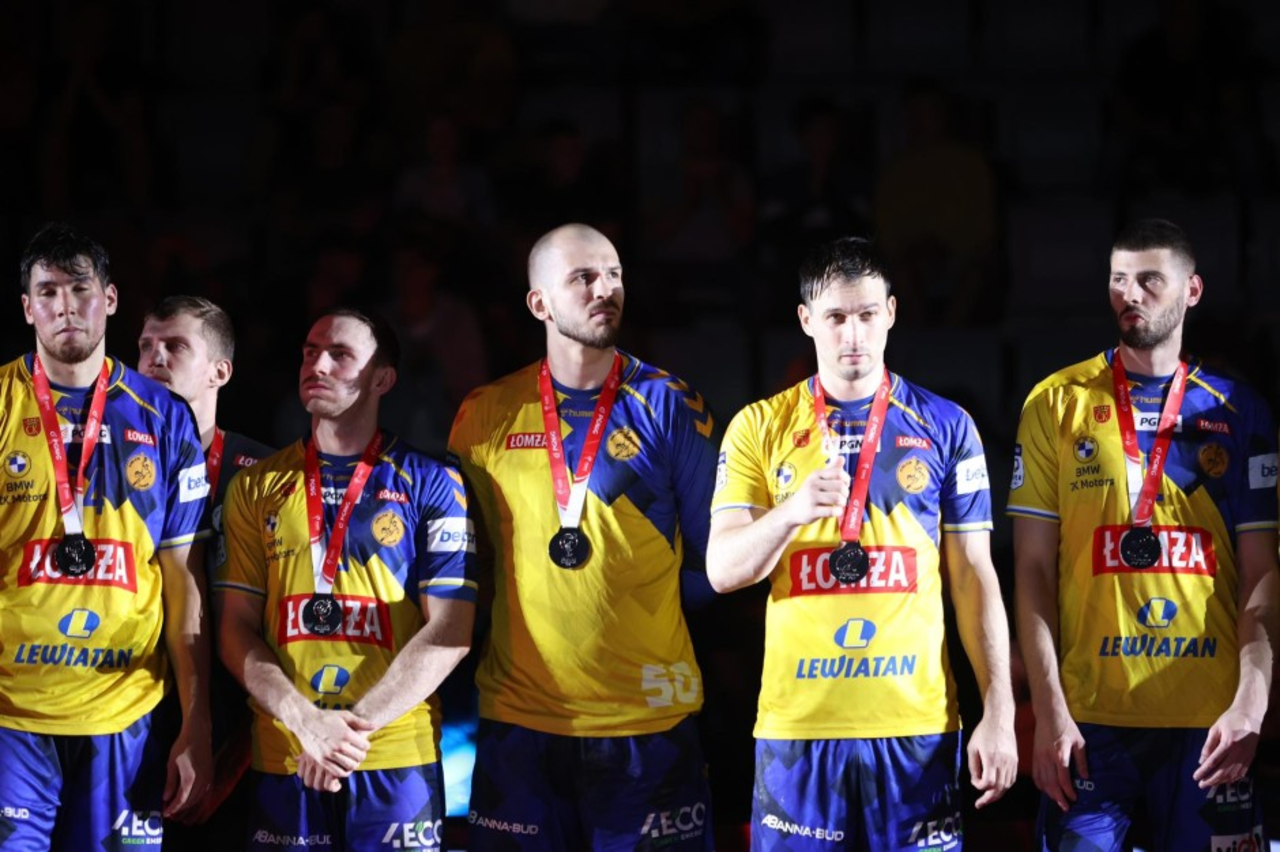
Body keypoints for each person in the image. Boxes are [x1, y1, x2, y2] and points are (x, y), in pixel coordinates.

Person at [707, 236, 1017, 850]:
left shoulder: (948, 425)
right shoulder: (758, 426)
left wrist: (1000, 709)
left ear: (892, 313)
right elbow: (723, 569)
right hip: (798, 734)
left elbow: (974, 577)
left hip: (917, 729)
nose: (854, 335)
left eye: (868, 314)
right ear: (805, 320)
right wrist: (792, 513)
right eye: (836, 318)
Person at [1011, 218, 1280, 851]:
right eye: (1118, 280)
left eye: (1150, 280)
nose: (1130, 294)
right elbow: (1032, 571)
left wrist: (1251, 704)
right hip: (1088, 726)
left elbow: (1263, 573)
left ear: (1192, 290)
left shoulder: (1238, 411)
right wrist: (1048, 710)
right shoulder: (1056, 402)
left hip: (1210, 726)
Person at [448, 222, 718, 850]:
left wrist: (633, 617)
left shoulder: (671, 405)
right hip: (519, 725)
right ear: (539, 303)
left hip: (647, 725)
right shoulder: (483, 413)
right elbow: (469, 568)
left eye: (614, 275)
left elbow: (717, 562)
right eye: (584, 278)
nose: (606, 289)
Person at [216, 307, 476, 851]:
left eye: (340, 355)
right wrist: (306, 723)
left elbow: (450, 632)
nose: (318, 365)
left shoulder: (433, 483)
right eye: (310, 352)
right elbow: (236, 628)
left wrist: (345, 732)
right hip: (287, 752)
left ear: (382, 379)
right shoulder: (257, 486)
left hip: (393, 755)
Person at [0, 222, 212, 850]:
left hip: (127, 714)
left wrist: (197, 720)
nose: (65, 306)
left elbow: (185, 580)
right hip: (11, 716)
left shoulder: (164, 416)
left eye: (80, 288)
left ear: (110, 299)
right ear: (27, 308)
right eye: (48, 292)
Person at [137, 295, 274, 847]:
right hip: (125, 717)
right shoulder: (105, 461)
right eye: (145, 346)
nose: (154, 358)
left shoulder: (267, 477)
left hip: (234, 732)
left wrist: (235, 757)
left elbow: (288, 640)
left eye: (175, 346)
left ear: (220, 371)